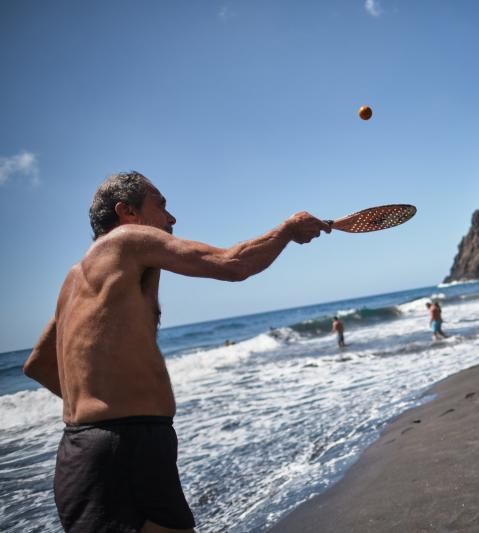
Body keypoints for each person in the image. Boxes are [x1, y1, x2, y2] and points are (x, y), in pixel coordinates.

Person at [22, 171, 330, 532]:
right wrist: (288, 231)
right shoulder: (127, 239)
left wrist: (101, 401)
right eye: (161, 205)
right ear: (127, 212)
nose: (171, 219)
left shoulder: (73, 280)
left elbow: (38, 364)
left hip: (84, 452)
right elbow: (232, 264)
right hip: (128, 445)